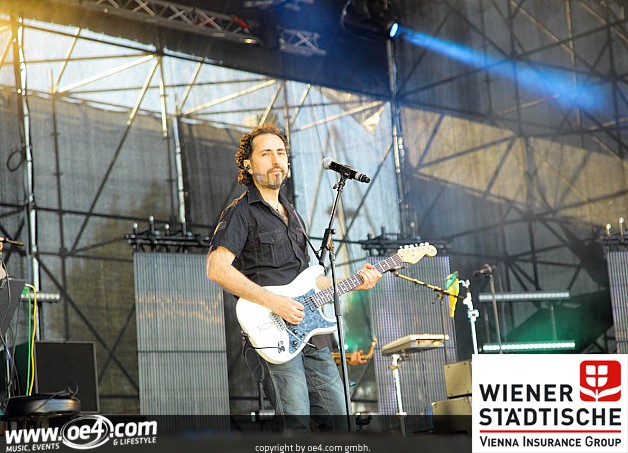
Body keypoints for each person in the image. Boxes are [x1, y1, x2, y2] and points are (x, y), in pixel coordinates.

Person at [206, 123, 381, 433]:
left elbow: (312, 281)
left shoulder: (293, 214)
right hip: (273, 332)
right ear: (248, 165)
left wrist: (357, 282)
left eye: (281, 152)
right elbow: (216, 268)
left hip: (312, 334)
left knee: (341, 421)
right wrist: (274, 301)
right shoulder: (241, 212)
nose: (276, 160)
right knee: (296, 422)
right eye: (266, 153)